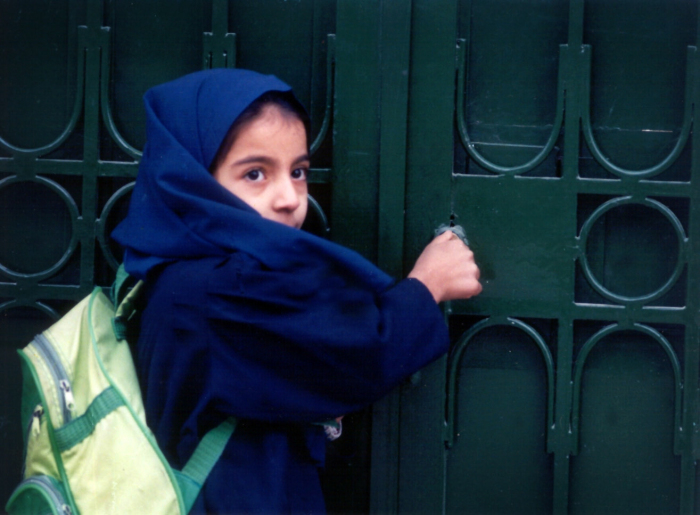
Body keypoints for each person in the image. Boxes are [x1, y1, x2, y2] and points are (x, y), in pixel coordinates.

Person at [112, 68, 481, 514]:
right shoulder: (216, 289)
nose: (289, 197)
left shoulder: (174, 266)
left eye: (299, 171)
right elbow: (358, 352)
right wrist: (429, 283)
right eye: (255, 174)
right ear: (194, 181)